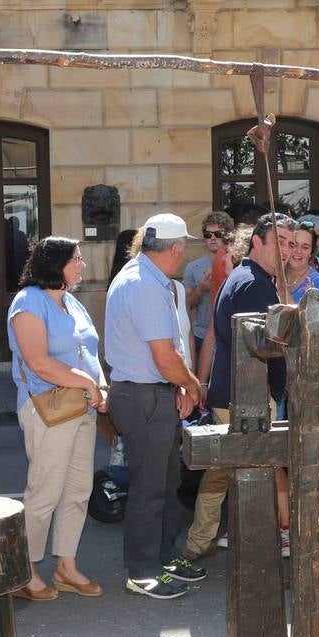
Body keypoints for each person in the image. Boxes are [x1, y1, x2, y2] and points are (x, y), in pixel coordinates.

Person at [103, 212, 205, 599]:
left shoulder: (145, 277)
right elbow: (164, 356)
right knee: (150, 488)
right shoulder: (144, 283)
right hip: (143, 394)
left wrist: (180, 385)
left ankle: (162, 556)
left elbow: (166, 354)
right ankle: (142, 570)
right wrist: (191, 384)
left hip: (149, 392)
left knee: (165, 483)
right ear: (176, 249)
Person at [188, 214, 294, 562]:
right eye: (278, 240)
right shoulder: (254, 284)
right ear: (257, 242)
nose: (286, 249)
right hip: (246, 396)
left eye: (290, 243)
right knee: (257, 472)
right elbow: (266, 347)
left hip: (233, 391)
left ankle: (199, 542)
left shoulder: (248, 277)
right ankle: (255, 549)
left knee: (222, 472)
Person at [8, 237, 107, 601]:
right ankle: (25, 572)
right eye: (76, 260)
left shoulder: (71, 302)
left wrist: (101, 387)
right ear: (55, 263)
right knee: (44, 492)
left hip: (81, 406)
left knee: (79, 490)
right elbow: (38, 362)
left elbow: (90, 353)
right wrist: (87, 383)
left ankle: (66, 566)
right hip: (48, 407)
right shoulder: (28, 302)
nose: (82, 265)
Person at [183, 211, 236, 350]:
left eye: (218, 234)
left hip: (229, 335)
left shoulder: (237, 264)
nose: (213, 238)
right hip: (201, 334)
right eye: (208, 235)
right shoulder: (193, 267)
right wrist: (200, 290)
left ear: (229, 236)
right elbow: (185, 306)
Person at [287, 217, 319, 302]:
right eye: (294, 244)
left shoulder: (317, 283)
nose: (298, 251)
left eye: (305, 247)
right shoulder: (273, 275)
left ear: (311, 252)